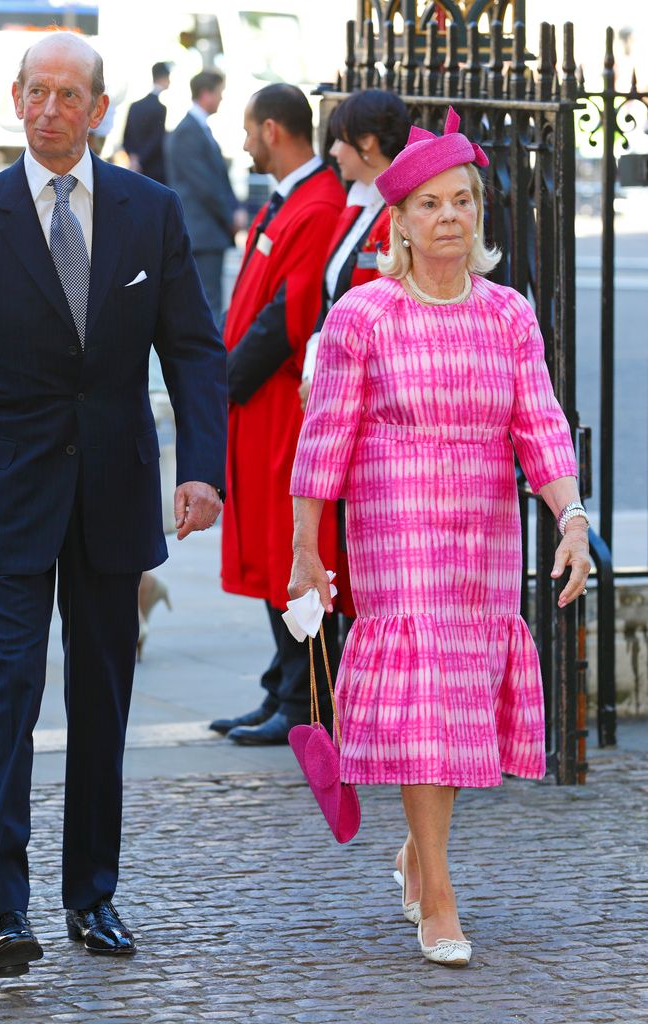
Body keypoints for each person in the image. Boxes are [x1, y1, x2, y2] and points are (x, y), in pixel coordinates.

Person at [0, 33, 226, 978]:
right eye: (33, 91)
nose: (48, 107)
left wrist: (199, 466)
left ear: (96, 107)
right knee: (12, 689)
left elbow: (194, 350)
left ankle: (92, 893)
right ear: (16, 100)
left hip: (115, 493)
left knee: (103, 697)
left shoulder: (149, 211)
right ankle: (5, 909)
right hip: (5, 496)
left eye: (66, 93)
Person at [288, 107, 590, 967]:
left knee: (456, 697)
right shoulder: (363, 314)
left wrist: (569, 517)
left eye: (461, 201)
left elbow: (539, 423)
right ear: (401, 223)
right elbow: (324, 441)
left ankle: (419, 850)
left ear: (477, 216)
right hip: (395, 522)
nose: (448, 216)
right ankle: (442, 895)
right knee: (425, 693)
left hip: (482, 527)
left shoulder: (508, 315)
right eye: (429, 204)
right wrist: (307, 548)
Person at [213, 84, 345, 746]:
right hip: (260, 404)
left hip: (280, 407)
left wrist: (223, 380)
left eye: (246, 131)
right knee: (272, 552)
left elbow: (286, 318)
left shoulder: (316, 204)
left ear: (271, 129)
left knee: (287, 551)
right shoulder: (296, 198)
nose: (241, 143)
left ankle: (302, 702)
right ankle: (282, 688)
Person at [299, 88, 409, 409]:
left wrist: (324, 381)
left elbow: (384, 324)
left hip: (363, 396)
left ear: (366, 143)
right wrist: (312, 372)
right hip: (330, 380)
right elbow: (329, 301)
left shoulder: (398, 217)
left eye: (339, 140)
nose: (333, 151)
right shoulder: (357, 203)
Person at [164, 70, 246, 325]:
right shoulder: (189, 131)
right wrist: (230, 215)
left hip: (206, 230)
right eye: (219, 93)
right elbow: (205, 185)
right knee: (207, 304)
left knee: (206, 301)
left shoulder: (197, 128)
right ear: (206, 94)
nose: (221, 98)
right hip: (203, 232)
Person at [122, 61, 171, 182]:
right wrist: (140, 160)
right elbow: (156, 139)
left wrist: (134, 159)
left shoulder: (134, 106)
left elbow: (127, 136)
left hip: (135, 168)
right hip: (153, 170)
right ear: (164, 78)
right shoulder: (160, 108)